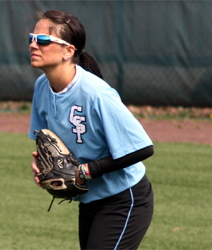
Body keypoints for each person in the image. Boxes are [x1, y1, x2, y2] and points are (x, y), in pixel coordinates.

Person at [28, 10, 154, 250]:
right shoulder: (42, 86)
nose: (34, 45)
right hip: (90, 199)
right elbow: (45, 138)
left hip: (124, 199)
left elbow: (142, 148)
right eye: (31, 39)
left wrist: (87, 170)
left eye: (43, 40)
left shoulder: (95, 93)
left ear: (68, 51)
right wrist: (41, 163)